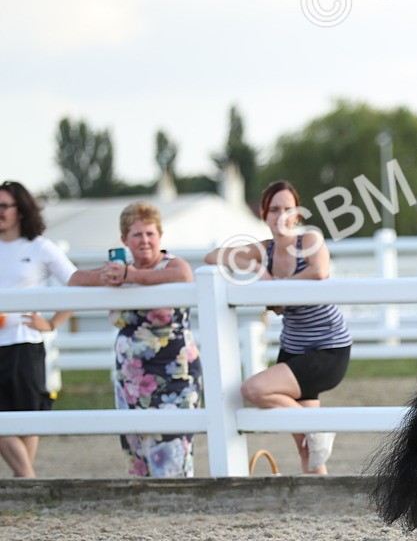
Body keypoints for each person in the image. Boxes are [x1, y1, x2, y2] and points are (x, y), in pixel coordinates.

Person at [204, 181, 351, 475]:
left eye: (288, 209)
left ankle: (318, 429)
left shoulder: (309, 240)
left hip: (328, 350)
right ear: (264, 214)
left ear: (297, 214)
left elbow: (319, 272)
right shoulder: (265, 251)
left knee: (254, 389)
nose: (281, 215)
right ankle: (318, 498)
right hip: (293, 349)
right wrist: (256, 268)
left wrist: (273, 287)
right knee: (308, 450)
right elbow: (212, 257)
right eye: (274, 209)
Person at [69, 201, 202, 477]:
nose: (145, 240)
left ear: (160, 237)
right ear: (124, 240)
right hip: (132, 376)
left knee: (171, 450)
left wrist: (132, 276)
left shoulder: (171, 264)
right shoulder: (120, 269)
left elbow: (184, 275)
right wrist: (108, 277)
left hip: (174, 373)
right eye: (137, 234)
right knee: (137, 451)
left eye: (150, 234)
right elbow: (75, 279)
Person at [0, 181, 77, 478]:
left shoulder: (40, 247)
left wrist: (52, 323)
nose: (0, 212)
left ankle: (24, 485)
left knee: (28, 417)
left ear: (20, 210)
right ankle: (29, 480)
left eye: (4, 206)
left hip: (25, 344)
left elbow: (75, 284)